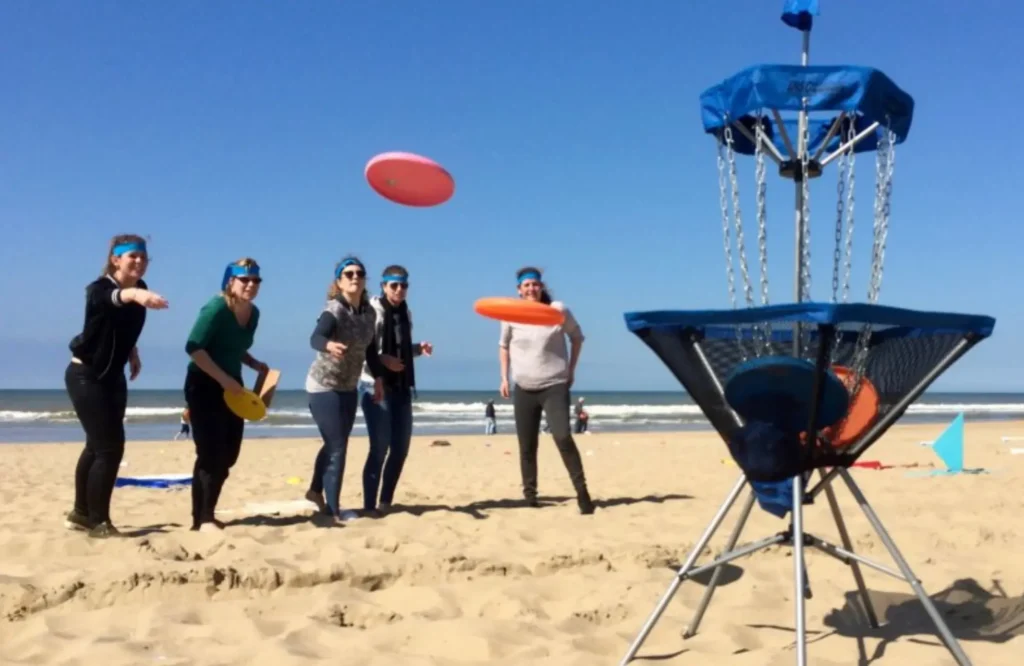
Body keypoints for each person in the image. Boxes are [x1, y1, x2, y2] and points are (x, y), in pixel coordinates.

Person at [64, 234, 168, 538]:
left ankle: (81, 514)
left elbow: (120, 327)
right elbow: (110, 301)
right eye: (132, 256)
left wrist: (132, 351)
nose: (138, 261)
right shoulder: (99, 289)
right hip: (86, 376)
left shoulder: (142, 289)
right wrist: (134, 296)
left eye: (143, 257)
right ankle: (99, 522)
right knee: (110, 448)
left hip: (113, 375)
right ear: (116, 259)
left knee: (96, 446)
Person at [304, 256, 402, 523]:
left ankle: (315, 490)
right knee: (338, 446)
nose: (355, 277)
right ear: (339, 281)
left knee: (335, 442)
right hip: (323, 385)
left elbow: (370, 350)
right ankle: (334, 512)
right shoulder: (333, 310)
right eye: (348, 274)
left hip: (349, 386)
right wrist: (329, 346)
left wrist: (379, 379)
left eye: (359, 273)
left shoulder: (369, 313)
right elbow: (316, 337)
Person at [498, 266, 595, 515]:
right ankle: (530, 497)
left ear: (541, 287)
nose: (531, 288)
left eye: (535, 284)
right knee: (527, 445)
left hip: (554, 385)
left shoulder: (558, 311)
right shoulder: (510, 314)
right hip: (524, 388)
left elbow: (577, 337)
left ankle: (582, 493)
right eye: (526, 285)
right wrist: (504, 377)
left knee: (562, 436)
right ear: (519, 290)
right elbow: (504, 346)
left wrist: (571, 370)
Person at [183, 257, 269, 532]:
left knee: (229, 454)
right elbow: (195, 349)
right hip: (203, 383)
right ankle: (202, 518)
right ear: (231, 281)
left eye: (256, 280)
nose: (251, 285)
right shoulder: (216, 307)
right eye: (245, 279)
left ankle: (208, 513)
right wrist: (223, 379)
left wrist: (254, 363)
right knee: (210, 452)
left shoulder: (253, 314)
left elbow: (232, 346)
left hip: (233, 386)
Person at [359, 265, 433, 515]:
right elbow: (362, 350)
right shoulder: (373, 311)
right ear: (383, 286)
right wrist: (383, 361)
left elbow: (400, 350)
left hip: (401, 386)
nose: (399, 290)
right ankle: (369, 506)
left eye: (404, 285)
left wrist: (418, 348)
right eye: (394, 285)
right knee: (380, 447)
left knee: (400, 448)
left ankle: (385, 502)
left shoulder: (405, 313)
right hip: (374, 384)